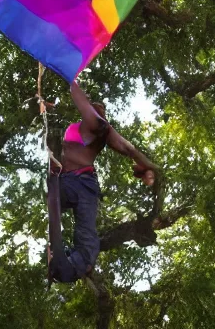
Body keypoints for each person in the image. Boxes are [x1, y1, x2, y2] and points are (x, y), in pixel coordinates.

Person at [47, 80, 159, 283]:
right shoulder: (78, 127)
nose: (100, 113)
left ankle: (71, 265)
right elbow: (129, 149)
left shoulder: (102, 128)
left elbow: (129, 149)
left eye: (103, 112)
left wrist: (150, 167)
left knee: (87, 238)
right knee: (51, 196)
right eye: (98, 109)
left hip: (83, 184)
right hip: (67, 182)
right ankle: (64, 257)